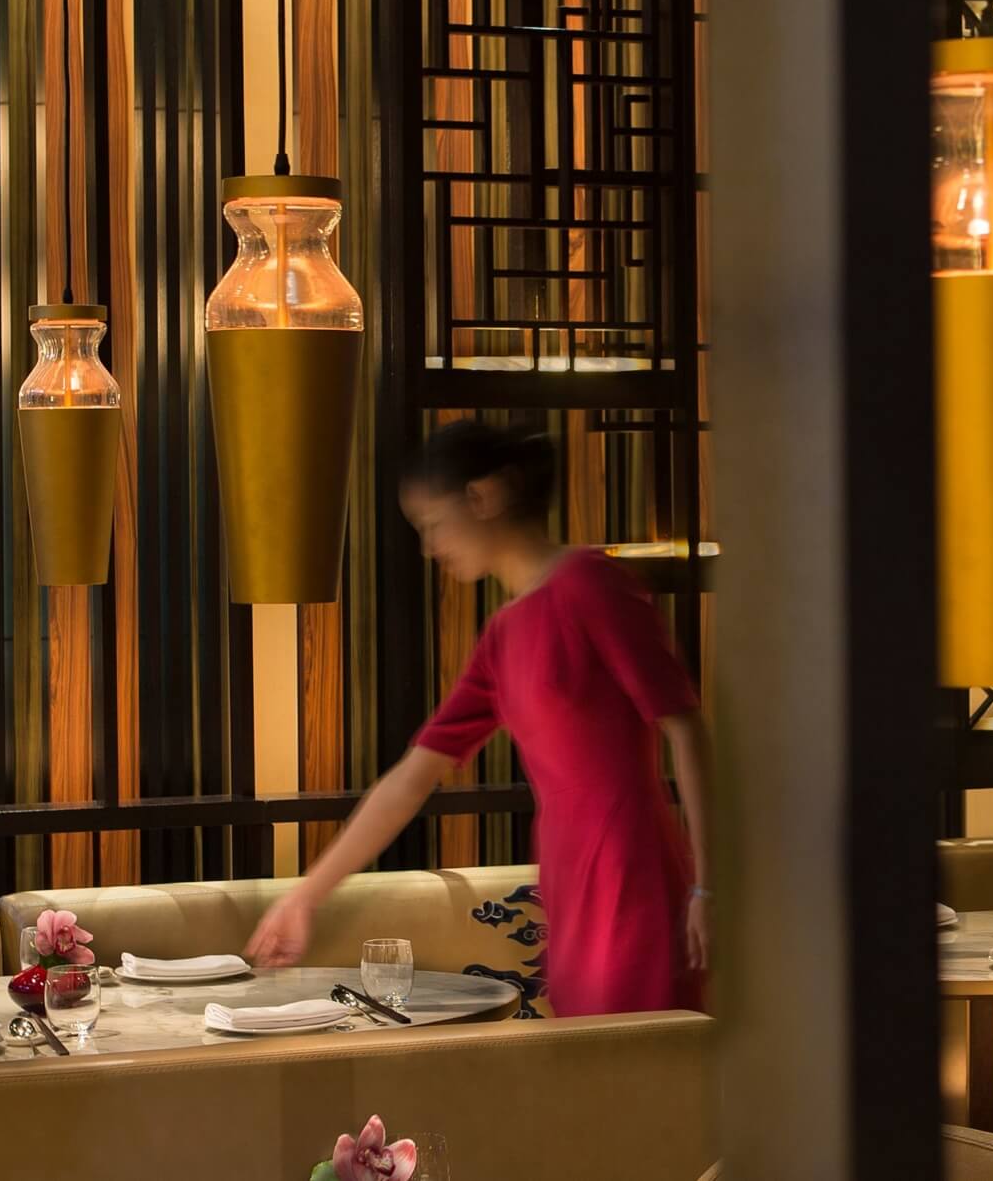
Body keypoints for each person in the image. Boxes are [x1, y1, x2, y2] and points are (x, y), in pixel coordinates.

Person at [247, 420, 712, 1016]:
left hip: (629, 871)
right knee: (594, 1080)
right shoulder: (506, 633)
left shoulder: (590, 584)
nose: (429, 546)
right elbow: (412, 777)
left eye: (434, 524)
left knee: (636, 1077)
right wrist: (306, 896)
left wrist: (706, 885)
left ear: (484, 497)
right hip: (569, 879)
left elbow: (685, 725)